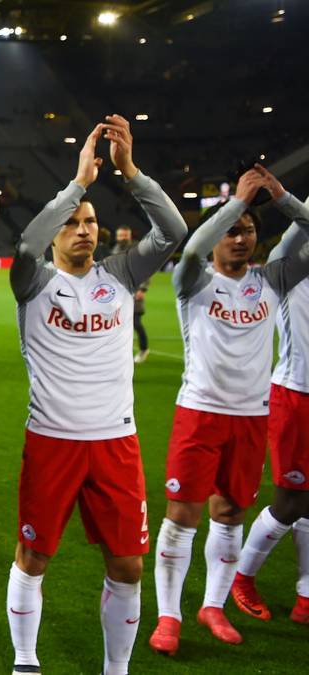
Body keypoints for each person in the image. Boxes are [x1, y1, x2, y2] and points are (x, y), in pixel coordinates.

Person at [5, 117, 186, 675]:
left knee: (128, 566)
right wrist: (79, 185)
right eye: (72, 223)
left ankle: (116, 668)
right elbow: (26, 244)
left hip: (115, 444)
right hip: (52, 442)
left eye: (89, 222)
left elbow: (174, 231)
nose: (83, 229)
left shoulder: (120, 275)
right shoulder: (34, 282)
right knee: (33, 555)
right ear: (57, 232)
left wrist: (129, 172)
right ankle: (26, 660)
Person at [149, 165, 309, 653]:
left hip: (252, 417)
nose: (241, 239)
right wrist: (237, 203)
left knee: (232, 513)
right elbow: (192, 249)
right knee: (182, 516)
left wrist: (280, 196)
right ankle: (169, 617)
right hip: (200, 413)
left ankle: (213, 606)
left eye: (248, 231)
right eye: (232, 231)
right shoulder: (193, 282)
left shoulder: (272, 279)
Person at [231, 192, 309, 627]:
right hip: (295, 397)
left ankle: (306, 596)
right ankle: (242, 577)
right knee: (290, 502)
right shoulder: (285, 268)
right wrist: (284, 195)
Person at [111, 226, 151, 362]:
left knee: (136, 322)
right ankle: (120, 352)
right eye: (120, 235)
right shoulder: (115, 249)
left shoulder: (137, 250)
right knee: (118, 324)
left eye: (125, 235)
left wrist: (142, 289)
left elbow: (146, 269)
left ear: (129, 236)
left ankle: (144, 349)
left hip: (134, 292)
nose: (122, 238)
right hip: (119, 294)